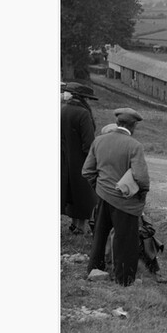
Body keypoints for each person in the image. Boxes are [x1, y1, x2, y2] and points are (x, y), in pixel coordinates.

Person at [82, 107, 152, 286]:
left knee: (100, 235)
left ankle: (95, 269)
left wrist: (99, 187)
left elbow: (87, 171)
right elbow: (141, 177)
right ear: (133, 125)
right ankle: (124, 279)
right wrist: (142, 194)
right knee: (125, 241)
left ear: (117, 123)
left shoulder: (99, 141)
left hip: (103, 197)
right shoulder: (134, 146)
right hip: (125, 203)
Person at [61, 82, 98, 235]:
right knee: (84, 194)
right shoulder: (83, 113)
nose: (88, 102)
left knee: (71, 191)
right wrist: (93, 162)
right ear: (82, 98)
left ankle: (75, 224)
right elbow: (88, 142)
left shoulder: (63, 110)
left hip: (65, 158)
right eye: (87, 99)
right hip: (82, 160)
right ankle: (81, 227)